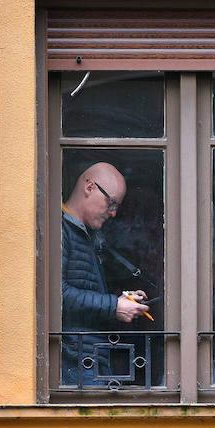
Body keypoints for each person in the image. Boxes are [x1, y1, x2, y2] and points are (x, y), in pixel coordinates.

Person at [60, 162, 150, 386]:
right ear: (89, 187)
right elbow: (55, 293)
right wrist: (113, 306)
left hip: (86, 358)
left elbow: (80, 289)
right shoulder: (59, 229)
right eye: (111, 203)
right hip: (75, 361)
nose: (113, 213)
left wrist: (122, 300)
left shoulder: (84, 234)